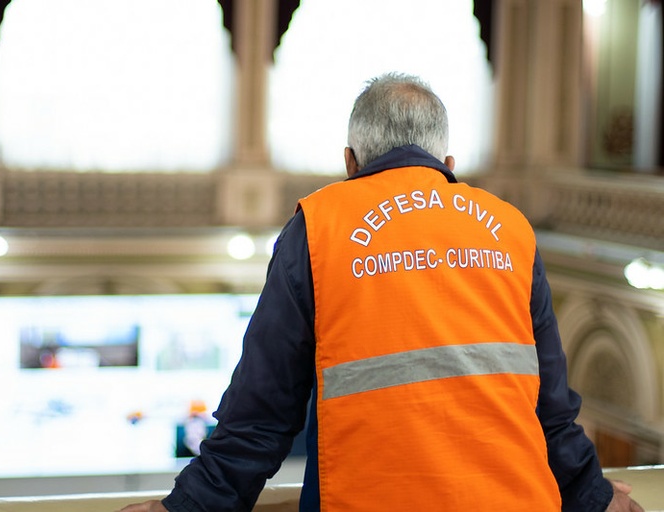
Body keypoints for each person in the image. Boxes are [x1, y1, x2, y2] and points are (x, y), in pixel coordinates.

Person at [118, 73, 644, 512]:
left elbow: (261, 415)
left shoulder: (318, 228)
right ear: (448, 166)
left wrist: (185, 507)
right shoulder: (510, 229)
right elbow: (550, 411)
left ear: (351, 163)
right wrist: (595, 496)